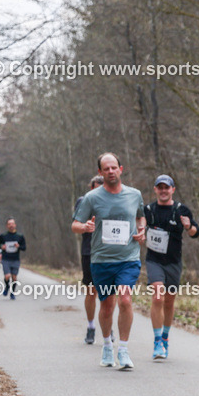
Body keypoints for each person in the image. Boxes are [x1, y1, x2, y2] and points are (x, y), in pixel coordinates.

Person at [71, 153, 145, 370]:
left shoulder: (134, 195)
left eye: (114, 167)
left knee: (125, 300)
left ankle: (123, 350)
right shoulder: (91, 198)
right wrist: (84, 227)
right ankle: (106, 346)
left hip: (128, 258)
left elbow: (140, 216)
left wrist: (142, 230)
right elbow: (75, 224)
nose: (111, 171)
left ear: (121, 169)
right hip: (101, 260)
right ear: (100, 172)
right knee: (106, 306)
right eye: (106, 169)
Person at [143, 174, 199, 360]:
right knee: (158, 296)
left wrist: (188, 226)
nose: (163, 191)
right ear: (155, 190)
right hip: (154, 260)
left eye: (166, 187)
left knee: (169, 301)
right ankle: (157, 341)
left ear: (172, 190)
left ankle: (165, 337)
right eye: (160, 187)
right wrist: (140, 233)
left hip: (174, 262)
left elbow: (195, 233)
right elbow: (138, 228)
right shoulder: (148, 210)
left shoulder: (181, 210)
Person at [74, 175, 104, 344]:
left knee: (108, 293)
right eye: (95, 188)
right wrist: (85, 227)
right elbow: (75, 225)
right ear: (91, 188)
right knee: (91, 292)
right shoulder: (83, 201)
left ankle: (107, 325)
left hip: (109, 253)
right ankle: (91, 326)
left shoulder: (114, 201)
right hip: (89, 252)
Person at [0, 219, 27, 300]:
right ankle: (7, 286)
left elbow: (24, 248)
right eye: (9, 224)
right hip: (6, 259)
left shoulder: (20, 236)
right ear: (7, 226)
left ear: (15, 225)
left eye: (12, 224)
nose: (11, 225)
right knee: (7, 276)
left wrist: (19, 246)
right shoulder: (3, 236)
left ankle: (12, 293)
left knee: (14, 278)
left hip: (15, 259)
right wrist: (1, 246)